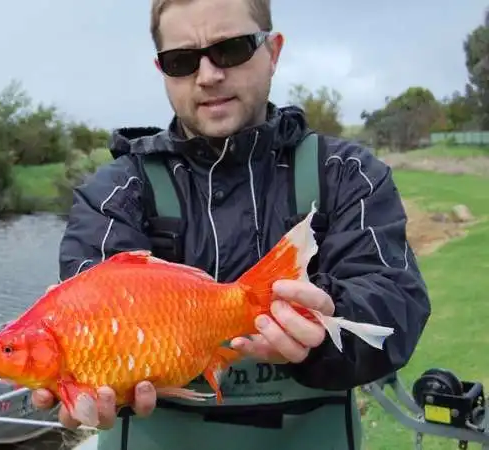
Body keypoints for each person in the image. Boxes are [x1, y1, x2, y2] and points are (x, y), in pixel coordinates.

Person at [31, 0, 432, 448]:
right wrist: (87, 387)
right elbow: (89, 311)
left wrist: (329, 323)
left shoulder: (344, 173)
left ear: (273, 52)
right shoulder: (114, 192)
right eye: (182, 60)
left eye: (232, 49)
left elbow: (397, 304)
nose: (207, 75)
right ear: (162, 70)